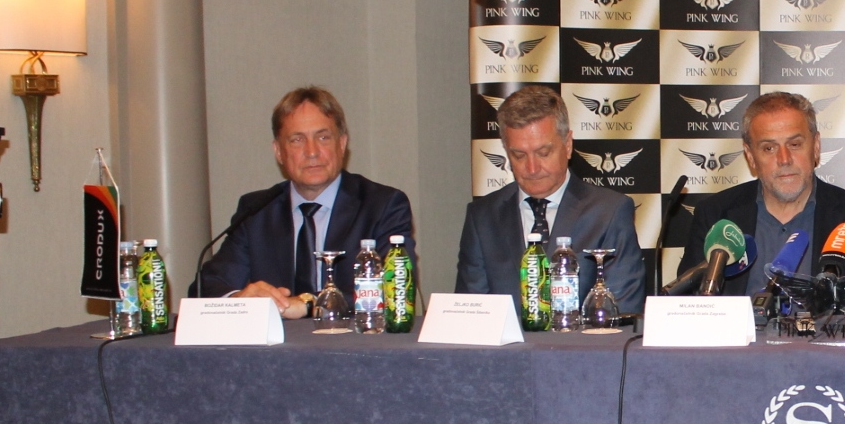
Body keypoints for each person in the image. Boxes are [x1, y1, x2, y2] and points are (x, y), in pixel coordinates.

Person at [196, 87, 413, 307]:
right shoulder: (256, 211)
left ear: (342, 144)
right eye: (297, 140)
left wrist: (308, 305)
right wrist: (239, 299)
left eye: (323, 137)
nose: (312, 151)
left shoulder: (382, 206)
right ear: (278, 152)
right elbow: (205, 288)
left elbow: (394, 289)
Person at [457, 84, 645, 312]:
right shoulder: (482, 217)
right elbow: (471, 313)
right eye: (519, 155)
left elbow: (621, 312)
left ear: (568, 145)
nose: (532, 168)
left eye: (543, 153)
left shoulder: (608, 212)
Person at [679, 91, 845, 299]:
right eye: (769, 148)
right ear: (750, 155)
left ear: (815, 146)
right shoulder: (715, 214)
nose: (784, 159)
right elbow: (688, 305)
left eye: (794, 145)